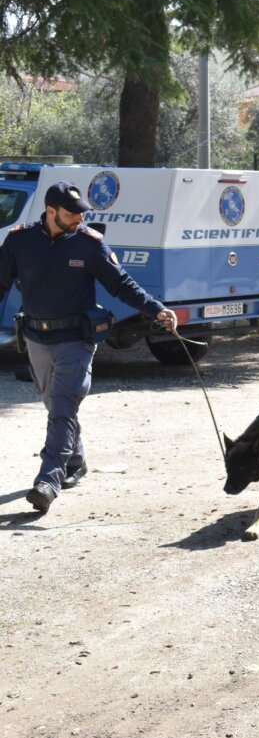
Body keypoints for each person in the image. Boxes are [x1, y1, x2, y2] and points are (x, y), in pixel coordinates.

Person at [0, 182, 178, 513]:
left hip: (76, 340)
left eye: (82, 212)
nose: (79, 218)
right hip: (36, 339)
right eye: (71, 213)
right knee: (55, 407)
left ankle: (48, 480)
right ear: (50, 211)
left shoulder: (89, 244)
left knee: (64, 404)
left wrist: (156, 308)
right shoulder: (20, 241)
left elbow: (121, 284)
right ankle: (76, 460)